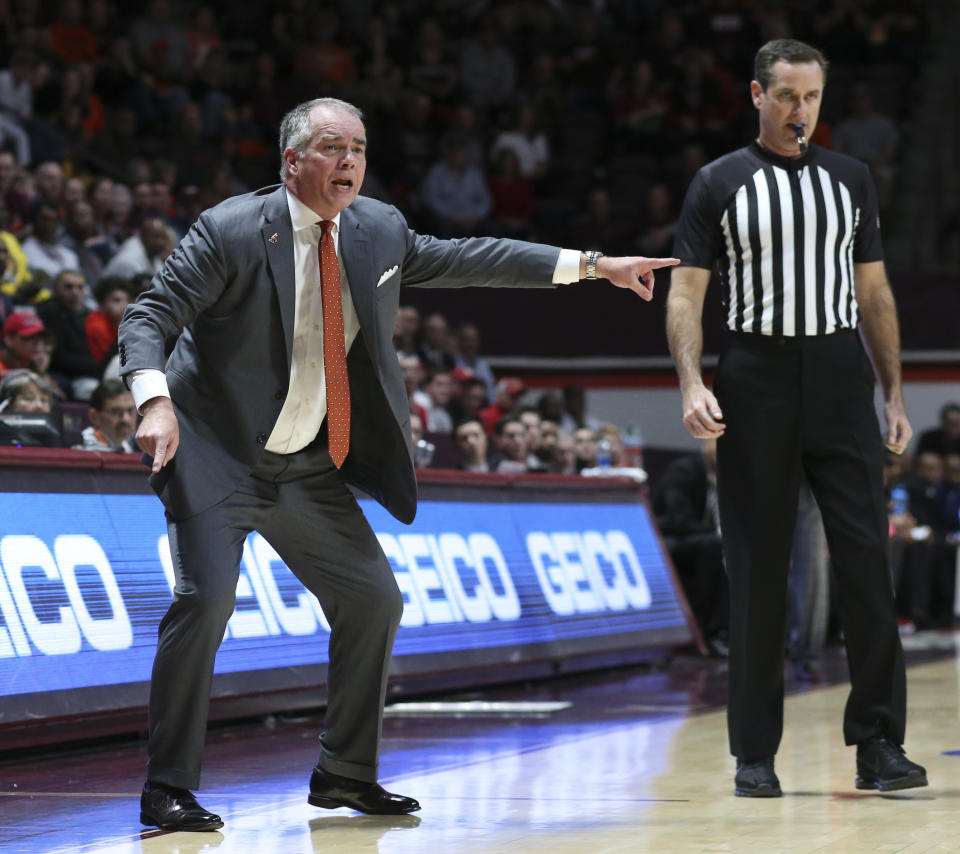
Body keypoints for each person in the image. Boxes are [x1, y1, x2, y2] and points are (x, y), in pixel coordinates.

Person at [119, 96, 678, 832]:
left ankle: (345, 774)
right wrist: (153, 401)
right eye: (329, 147)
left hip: (305, 463)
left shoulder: (377, 228)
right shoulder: (230, 229)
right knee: (208, 603)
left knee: (374, 599)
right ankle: (168, 788)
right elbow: (149, 315)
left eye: (357, 147)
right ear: (292, 161)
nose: (348, 160)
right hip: (216, 453)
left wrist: (594, 265)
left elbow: (473, 257)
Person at [666, 39, 926, 798]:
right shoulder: (717, 182)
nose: (799, 111)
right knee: (756, 571)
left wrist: (896, 395)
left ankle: (879, 745)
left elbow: (874, 296)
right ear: (756, 94)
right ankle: (755, 754)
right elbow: (686, 296)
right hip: (755, 377)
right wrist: (690, 381)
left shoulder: (852, 180)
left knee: (867, 569)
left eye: (811, 98)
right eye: (786, 96)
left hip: (842, 378)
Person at [72, 378, 139, 452]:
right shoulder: (80, 447)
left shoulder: (131, 447)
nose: (126, 419)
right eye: (116, 412)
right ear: (94, 417)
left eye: (130, 411)